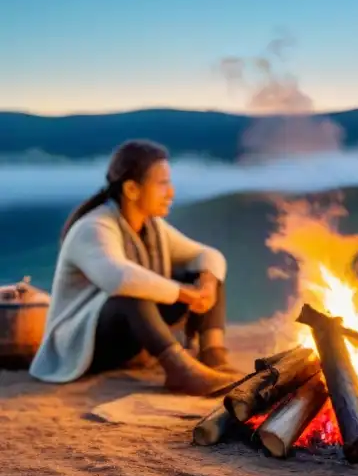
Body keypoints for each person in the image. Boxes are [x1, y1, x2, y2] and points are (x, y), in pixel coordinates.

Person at [29, 140, 240, 396]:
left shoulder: (153, 227)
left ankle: (214, 356)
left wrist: (206, 283)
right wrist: (185, 293)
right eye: (162, 184)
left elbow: (206, 254)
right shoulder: (93, 228)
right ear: (131, 189)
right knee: (131, 294)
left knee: (205, 272)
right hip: (83, 346)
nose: (171, 192)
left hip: (127, 340)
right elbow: (119, 278)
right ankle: (181, 372)